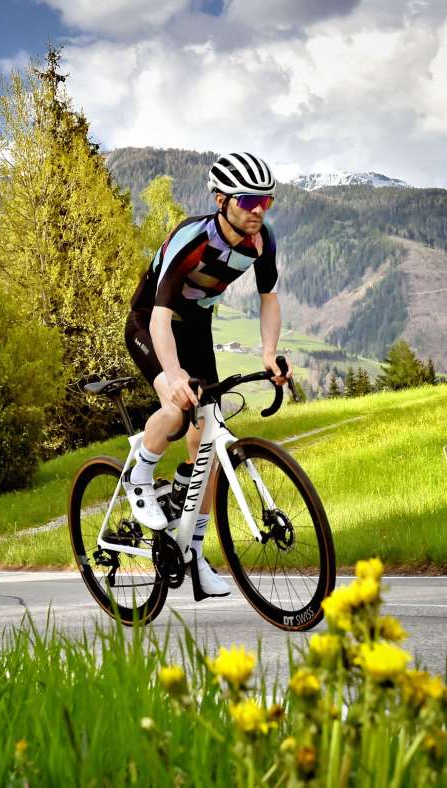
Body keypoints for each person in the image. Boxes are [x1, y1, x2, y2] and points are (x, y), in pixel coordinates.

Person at [122, 151, 290, 599]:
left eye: (266, 202)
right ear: (221, 200)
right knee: (177, 413)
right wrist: (174, 377)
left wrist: (269, 353)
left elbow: (268, 298)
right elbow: (159, 318)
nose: (258, 211)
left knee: (207, 442)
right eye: (248, 200)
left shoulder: (262, 241)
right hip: (151, 320)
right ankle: (139, 476)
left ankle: (193, 551)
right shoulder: (192, 239)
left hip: (196, 325)